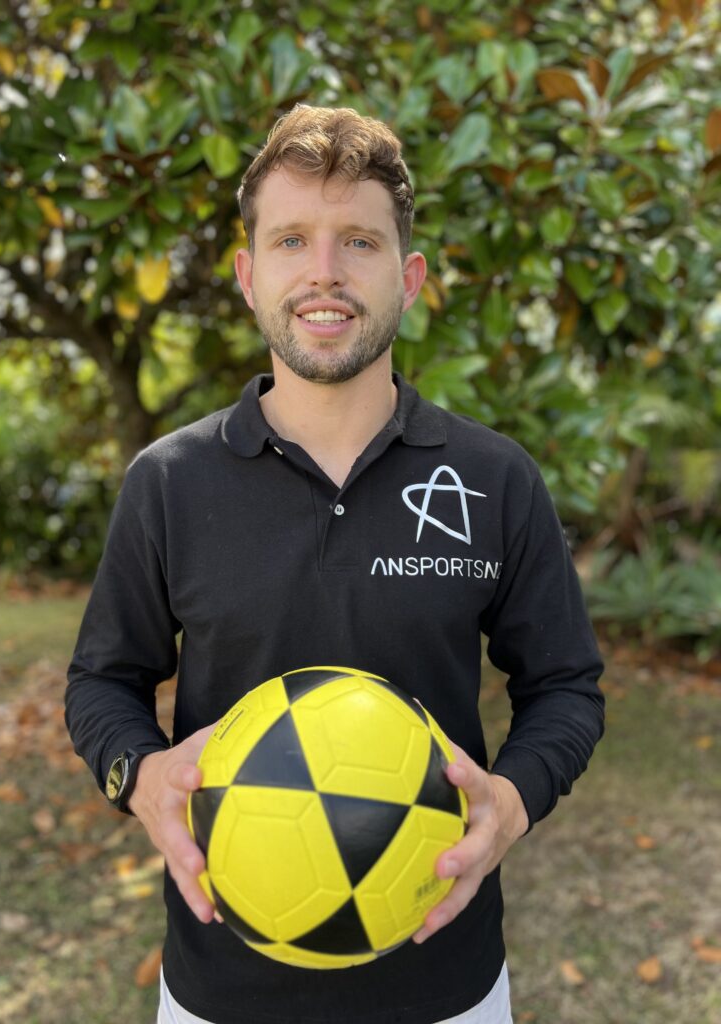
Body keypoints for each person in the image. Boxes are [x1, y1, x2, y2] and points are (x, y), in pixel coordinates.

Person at [65, 104, 604, 1024]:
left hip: (445, 980)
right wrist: (139, 776)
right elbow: (102, 683)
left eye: (359, 240)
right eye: (291, 240)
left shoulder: (494, 477)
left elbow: (566, 688)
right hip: (222, 986)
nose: (324, 271)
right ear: (248, 277)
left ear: (409, 277)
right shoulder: (168, 481)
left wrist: (512, 802)